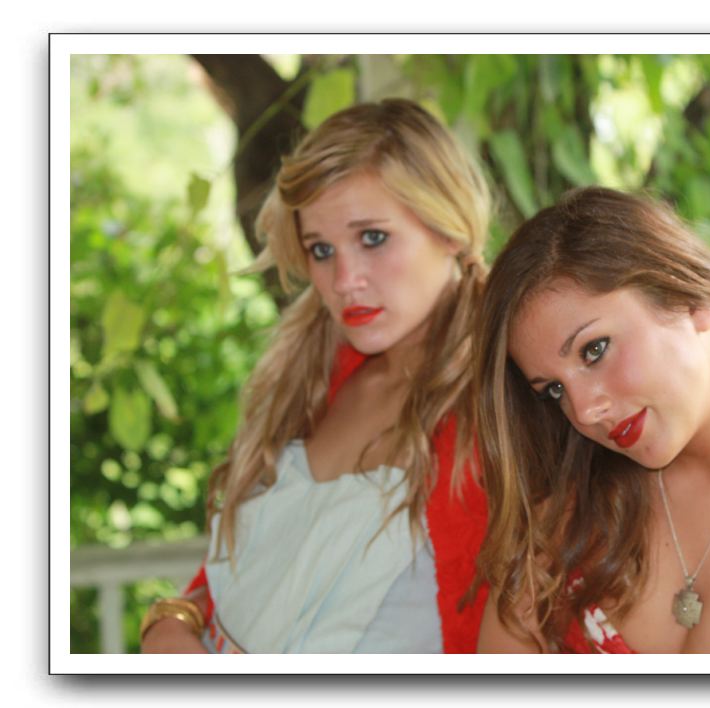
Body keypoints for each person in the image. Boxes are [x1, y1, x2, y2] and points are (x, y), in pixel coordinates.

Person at [140, 98, 490, 653]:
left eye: (372, 238)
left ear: (450, 227)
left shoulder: (508, 402)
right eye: (321, 250)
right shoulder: (310, 373)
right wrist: (171, 622)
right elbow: (255, 578)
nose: (344, 280)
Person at [474, 187, 710, 653]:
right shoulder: (569, 516)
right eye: (554, 390)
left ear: (687, 296)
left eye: (594, 350)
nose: (584, 411)